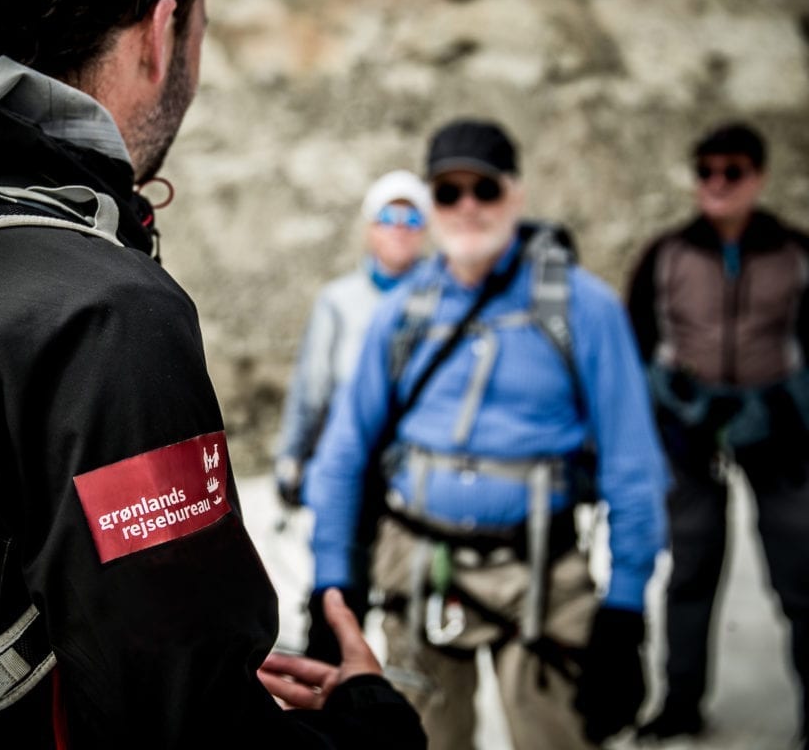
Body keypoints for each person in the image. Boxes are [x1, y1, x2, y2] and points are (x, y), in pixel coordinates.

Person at [0, 0, 425, 749]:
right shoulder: (108, 317)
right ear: (163, 33)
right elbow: (191, 735)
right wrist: (370, 723)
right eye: (200, 29)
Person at [305, 117, 669, 749]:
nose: (468, 207)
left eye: (485, 190)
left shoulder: (583, 307)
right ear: (431, 203)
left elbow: (633, 464)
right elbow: (343, 455)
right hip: (415, 575)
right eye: (449, 192)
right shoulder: (402, 315)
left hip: (543, 578)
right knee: (418, 742)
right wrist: (331, 589)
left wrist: (626, 610)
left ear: (516, 195)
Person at [628, 122, 809, 744]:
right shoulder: (667, 254)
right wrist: (676, 404)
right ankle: (680, 705)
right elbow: (638, 347)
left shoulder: (794, 253)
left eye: (731, 171)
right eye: (706, 170)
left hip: (780, 440)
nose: (717, 184)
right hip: (690, 440)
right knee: (690, 571)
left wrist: (781, 407)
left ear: (757, 176)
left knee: (801, 574)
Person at [275, 170, 432, 510]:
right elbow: (311, 388)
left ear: (425, 230)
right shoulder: (337, 301)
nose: (400, 228)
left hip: (421, 471)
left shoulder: (446, 300)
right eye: (388, 217)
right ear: (370, 228)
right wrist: (292, 457)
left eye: (412, 218)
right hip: (350, 465)